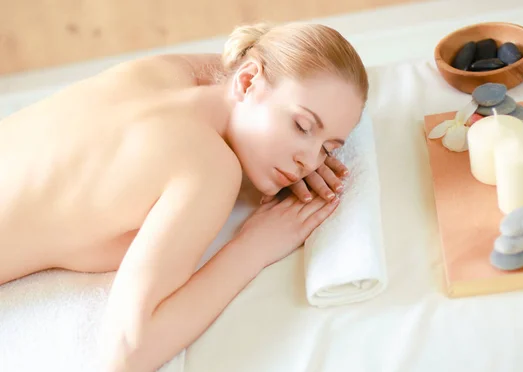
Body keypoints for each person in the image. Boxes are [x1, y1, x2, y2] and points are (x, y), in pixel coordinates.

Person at [0, 21, 368, 371]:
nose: (308, 161)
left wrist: (298, 134)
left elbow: (250, 62)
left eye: (328, 149)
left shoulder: (160, 74)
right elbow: (128, 352)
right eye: (302, 126)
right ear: (247, 80)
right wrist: (255, 246)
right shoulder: (209, 168)